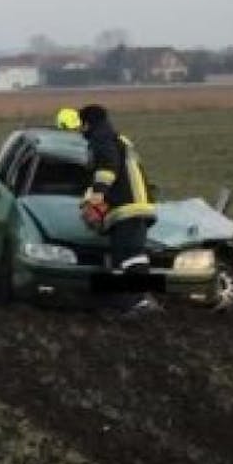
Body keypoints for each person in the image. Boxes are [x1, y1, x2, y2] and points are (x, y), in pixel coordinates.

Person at [72, 104, 161, 317]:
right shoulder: (116, 137)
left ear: (87, 123)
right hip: (133, 206)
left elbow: (107, 168)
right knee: (125, 257)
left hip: (128, 207)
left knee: (132, 256)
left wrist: (97, 195)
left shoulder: (101, 139)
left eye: (81, 125)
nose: (80, 130)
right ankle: (129, 303)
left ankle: (141, 302)